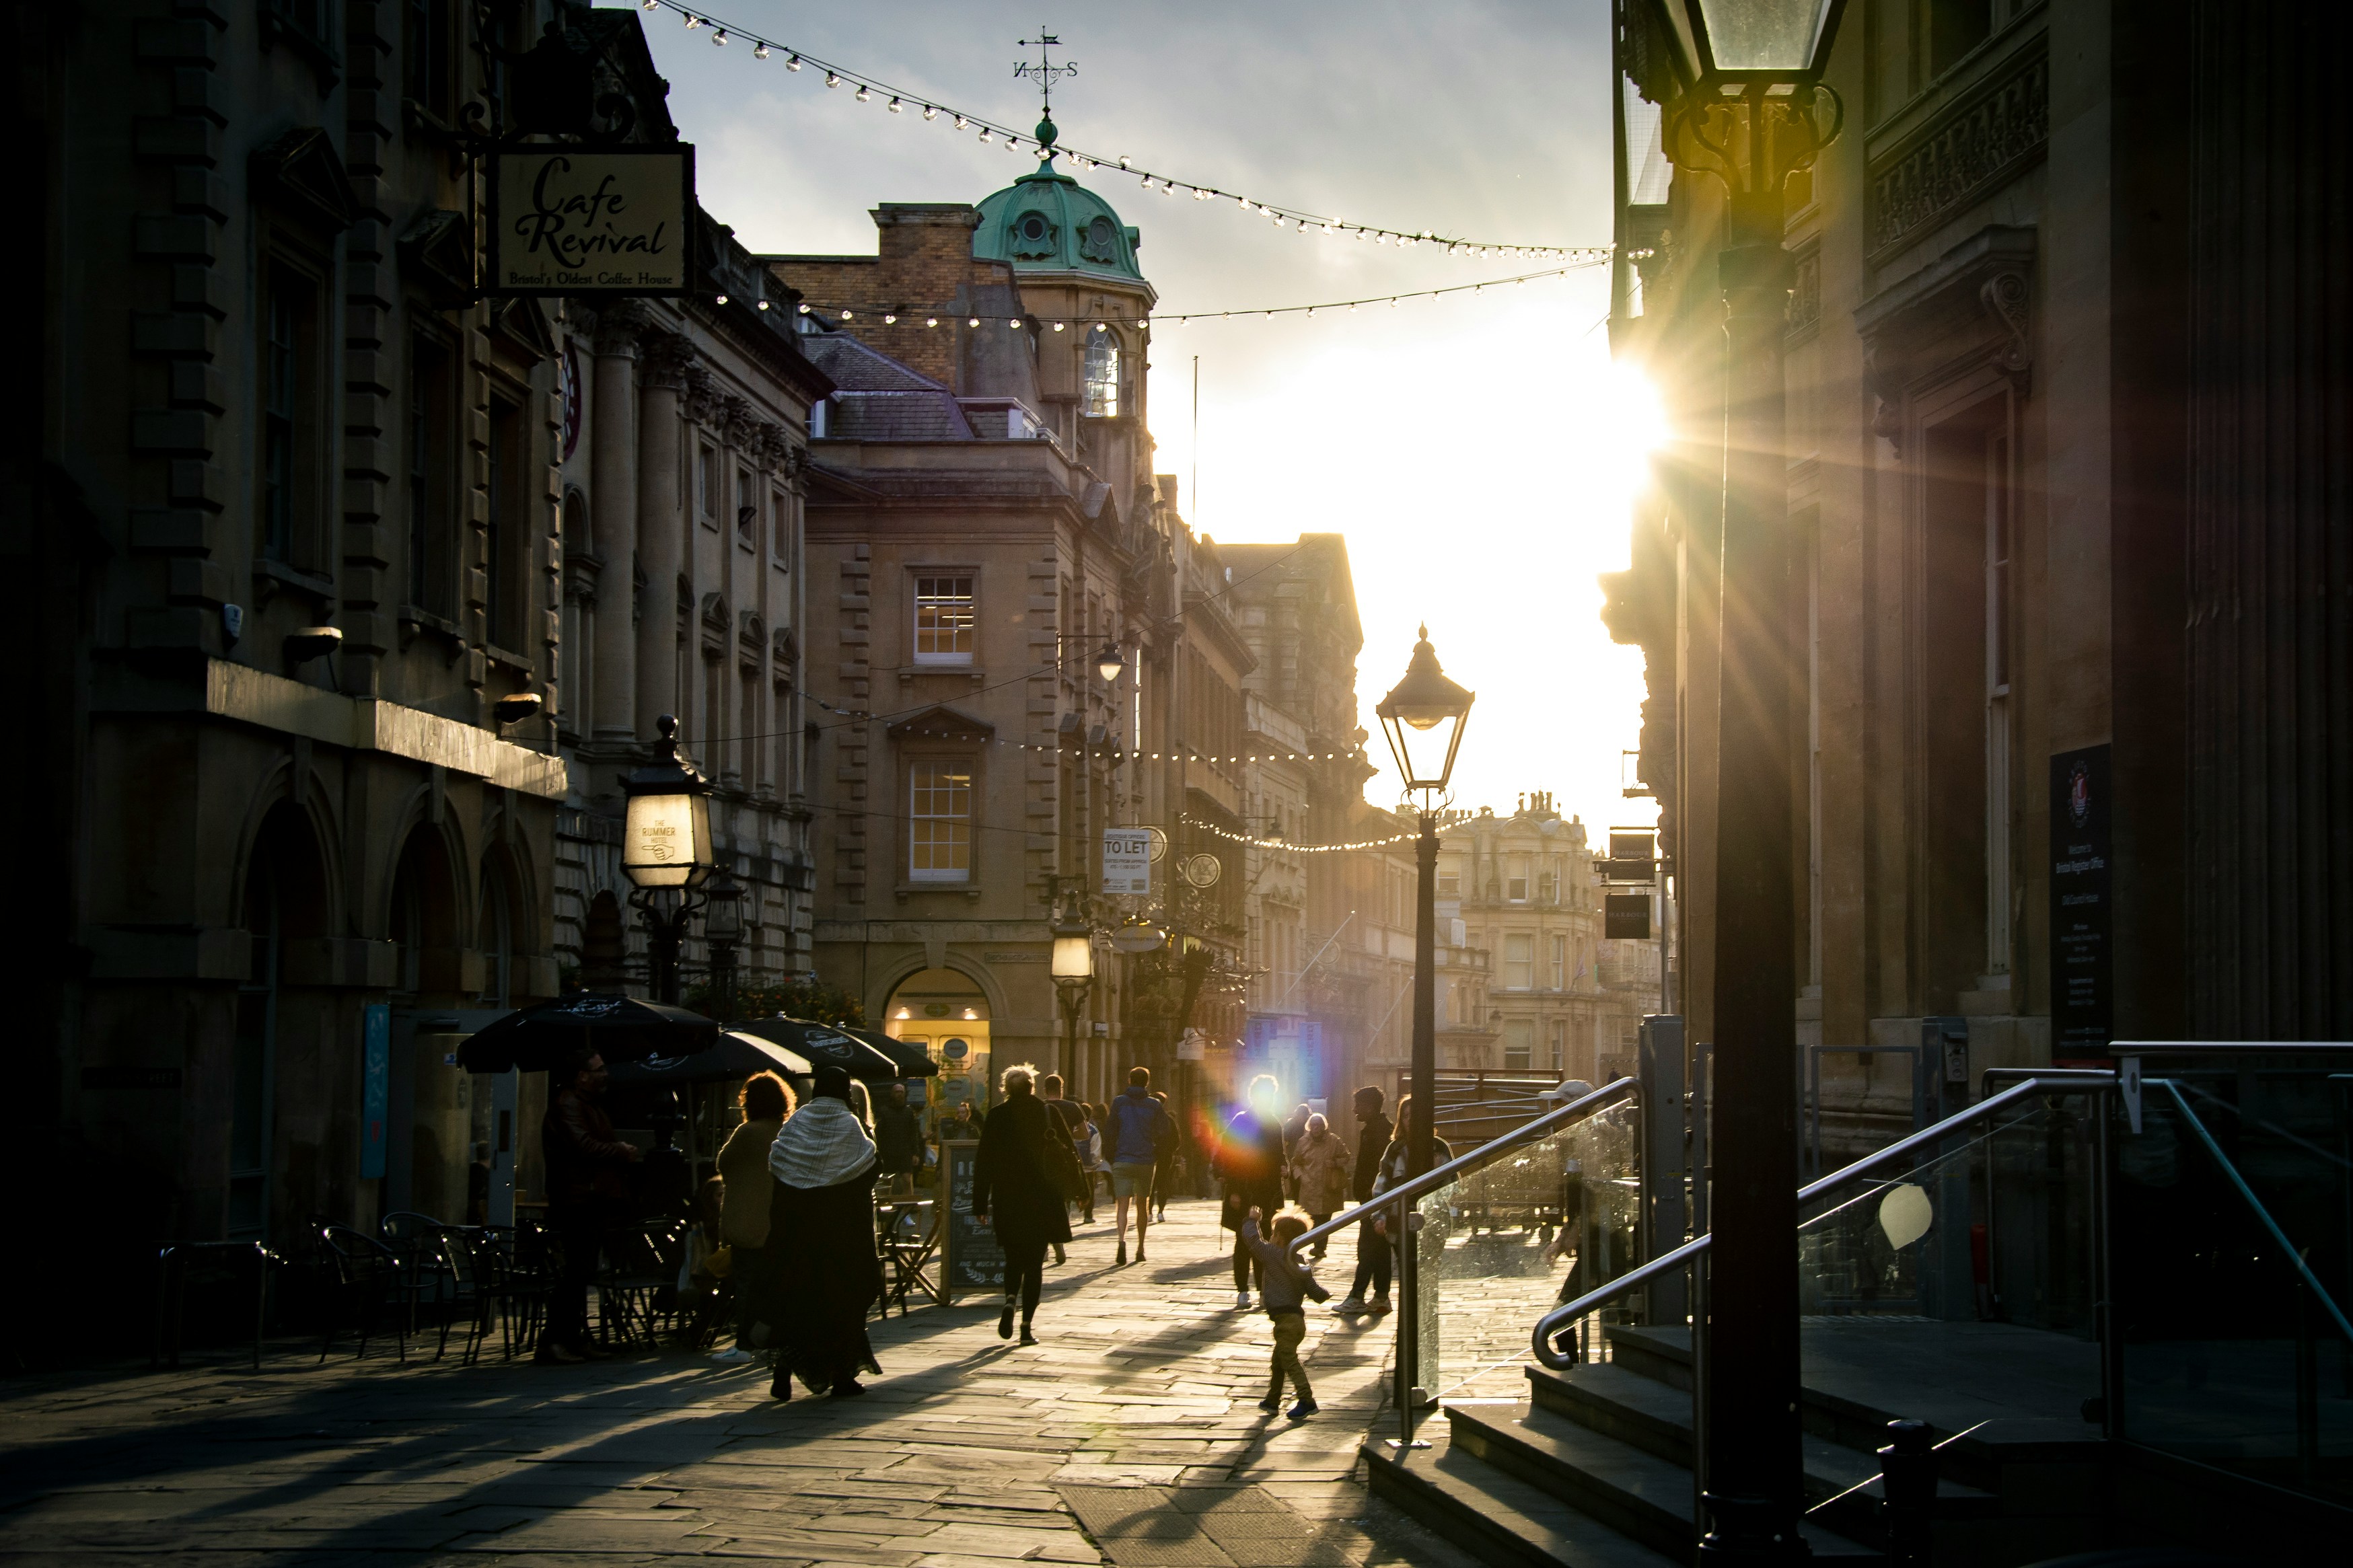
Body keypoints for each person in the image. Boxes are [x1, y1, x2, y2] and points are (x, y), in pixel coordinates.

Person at [760, 1065, 883, 1400]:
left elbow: (779, 1163)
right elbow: (871, 1166)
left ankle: (783, 1372)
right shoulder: (850, 1124)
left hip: (796, 1235)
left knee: (796, 1304)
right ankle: (842, 1376)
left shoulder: (797, 1122)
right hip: (840, 1238)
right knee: (840, 1306)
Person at [538, 1048, 641, 1363]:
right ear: (581, 1076)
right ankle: (555, 1340)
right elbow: (582, 1146)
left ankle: (572, 1338)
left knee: (582, 1270)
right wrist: (619, 1150)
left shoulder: (586, 1104)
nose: (604, 1074)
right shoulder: (568, 1103)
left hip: (589, 1197)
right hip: (579, 1199)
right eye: (598, 1069)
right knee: (576, 1271)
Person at [971, 1063, 1075, 1345]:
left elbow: (984, 1161)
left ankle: (1008, 1301)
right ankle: (1026, 1327)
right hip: (1042, 1198)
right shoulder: (1048, 1113)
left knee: (1014, 1257)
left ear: (1006, 1088)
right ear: (1032, 1088)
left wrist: (979, 1204)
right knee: (1035, 1264)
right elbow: (1069, 1151)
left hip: (1008, 1198)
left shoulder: (997, 1116)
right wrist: (1077, 1190)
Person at [710, 1071, 792, 1366]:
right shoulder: (788, 1131)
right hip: (780, 1225)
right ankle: (773, 1341)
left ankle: (743, 1344)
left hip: (748, 1224)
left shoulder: (748, 1132)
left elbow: (723, 1163)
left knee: (746, 1286)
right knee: (774, 1287)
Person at [1359, 1093, 1450, 1318]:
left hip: (1432, 1222)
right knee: (1407, 1272)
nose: (1411, 1120)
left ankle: (1427, 1317)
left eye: (1416, 1115)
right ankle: (1409, 1319)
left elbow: (1454, 1185)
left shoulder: (1439, 1147)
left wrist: (1440, 1171)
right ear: (1402, 1120)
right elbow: (1382, 1186)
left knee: (1428, 1273)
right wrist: (1379, 1217)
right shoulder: (1395, 1149)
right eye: (1407, 1116)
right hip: (1399, 1221)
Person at [1240, 1205, 1330, 1420]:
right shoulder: (1301, 1262)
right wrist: (1324, 1294)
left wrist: (1252, 1220)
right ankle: (1273, 1400)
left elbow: (1253, 1241)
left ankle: (1307, 1400)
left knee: (1288, 1360)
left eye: (1273, 1234)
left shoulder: (1272, 1254)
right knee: (1278, 1361)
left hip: (1285, 1321)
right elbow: (1315, 1292)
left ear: (1279, 1238)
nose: (1271, 1238)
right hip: (1296, 1321)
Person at [1216, 1075, 1288, 1310]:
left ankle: (1263, 1289)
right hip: (1244, 1189)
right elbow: (1231, 1157)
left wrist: (1284, 1166)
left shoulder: (1274, 1123)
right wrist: (1235, 1191)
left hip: (1266, 1192)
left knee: (1265, 1241)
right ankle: (1242, 1290)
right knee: (1243, 1241)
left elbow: (1278, 1153)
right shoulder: (1242, 1120)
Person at [1334, 1086, 1394, 1315]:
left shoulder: (1378, 1132)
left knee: (1367, 1249)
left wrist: (1368, 1195)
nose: (1354, 1110)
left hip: (1374, 1201)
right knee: (1379, 1249)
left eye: (1358, 1105)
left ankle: (1357, 1296)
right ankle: (1381, 1296)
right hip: (1372, 1200)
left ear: (1369, 1107)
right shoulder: (1376, 1129)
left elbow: (1377, 1170)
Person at [1105, 1067, 1173, 1265]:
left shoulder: (1119, 1102)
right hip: (1145, 1160)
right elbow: (1164, 1133)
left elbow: (1110, 1130)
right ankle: (1141, 1248)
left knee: (1122, 1205)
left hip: (1122, 1158)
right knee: (1142, 1205)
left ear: (1129, 1080)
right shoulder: (1154, 1105)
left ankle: (1121, 1241)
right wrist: (1156, 1153)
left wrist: (1111, 1156)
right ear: (1147, 1083)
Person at [1284, 1113, 1350, 1257]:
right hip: (1309, 1186)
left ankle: (1320, 1247)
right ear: (1309, 1127)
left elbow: (1346, 1157)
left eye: (1320, 1125)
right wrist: (1300, 1176)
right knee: (1311, 1217)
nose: (1317, 1128)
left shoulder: (1334, 1141)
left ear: (1324, 1126)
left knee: (1325, 1218)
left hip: (1328, 1186)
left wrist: (1335, 1163)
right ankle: (1314, 1244)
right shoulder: (1303, 1142)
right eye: (1314, 1125)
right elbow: (1295, 1162)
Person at [1040, 1074, 1092, 1238]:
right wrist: (1068, 1136)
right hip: (1065, 1158)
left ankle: (1045, 1242)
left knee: (1044, 1198)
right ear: (1061, 1089)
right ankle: (1060, 1234)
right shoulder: (1073, 1107)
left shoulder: (1038, 1107)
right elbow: (1085, 1133)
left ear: (1045, 1090)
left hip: (1043, 1159)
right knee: (1064, 1196)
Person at [873, 1082, 923, 1193]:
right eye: (897, 1092)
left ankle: (909, 1205)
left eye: (901, 1092)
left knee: (907, 1180)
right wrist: (878, 1152)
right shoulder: (884, 1111)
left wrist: (915, 1153)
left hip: (905, 1152)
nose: (899, 1094)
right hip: (888, 1152)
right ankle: (885, 1206)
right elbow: (879, 1134)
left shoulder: (909, 1112)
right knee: (886, 1182)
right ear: (892, 1094)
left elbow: (914, 1134)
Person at [1148, 1090, 1182, 1222]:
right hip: (1166, 1157)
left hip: (1150, 1156)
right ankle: (1161, 1212)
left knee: (1150, 1185)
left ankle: (1149, 1212)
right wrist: (1170, 1151)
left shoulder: (1149, 1120)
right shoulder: (1169, 1120)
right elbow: (1177, 1141)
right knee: (1162, 1183)